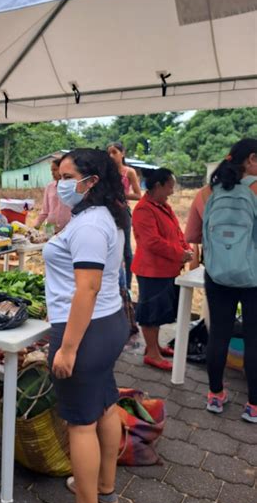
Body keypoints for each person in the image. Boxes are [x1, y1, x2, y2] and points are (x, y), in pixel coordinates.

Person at [43, 148, 129, 503]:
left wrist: (68, 347)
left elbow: (87, 288)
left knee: (80, 423)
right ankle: (105, 486)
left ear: (91, 181)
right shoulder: (101, 216)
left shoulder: (91, 225)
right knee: (106, 404)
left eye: (66, 175)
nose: (60, 182)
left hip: (86, 330)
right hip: (108, 325)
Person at [186, 139, 257, 422]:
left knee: (218, 335)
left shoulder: (205, 193)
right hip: (254, 277)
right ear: (251, 158)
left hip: (217, 275)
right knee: (254, 339)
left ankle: (215, 396)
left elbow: (191, 236)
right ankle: (253, 406)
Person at [132, 168, 193, 371]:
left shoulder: (162, 206)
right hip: (151, 270)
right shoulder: (143, 209)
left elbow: (176, 231)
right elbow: (152, 242)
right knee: (151, 312)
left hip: (166, 269)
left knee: (159, 311)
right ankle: (152, 353)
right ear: (158, 185)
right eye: (170, 187)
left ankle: (155, 346)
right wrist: (180, 254)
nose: (172, 192)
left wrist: (186, 248)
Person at [107, 142, 141, 289]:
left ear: (123, 153)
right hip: (107, 212)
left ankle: (127, 285)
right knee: (110, 247)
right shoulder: (105, 172)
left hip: (122, 213)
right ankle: (113, 282)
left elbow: (138, 195)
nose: (111, 156)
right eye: (109, 153)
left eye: (114, 152)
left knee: (126, 249)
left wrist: (121, 195)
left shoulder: (129, 172)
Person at [34, 158, 71, 233]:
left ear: (62, 170)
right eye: (51, 170)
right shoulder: (49, 187)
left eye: (55, 170)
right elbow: (45, 210)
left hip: (67, 227)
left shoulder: (71, 187)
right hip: (50, 227)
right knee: (46, 243)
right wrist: (36, 227)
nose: (52, 173)